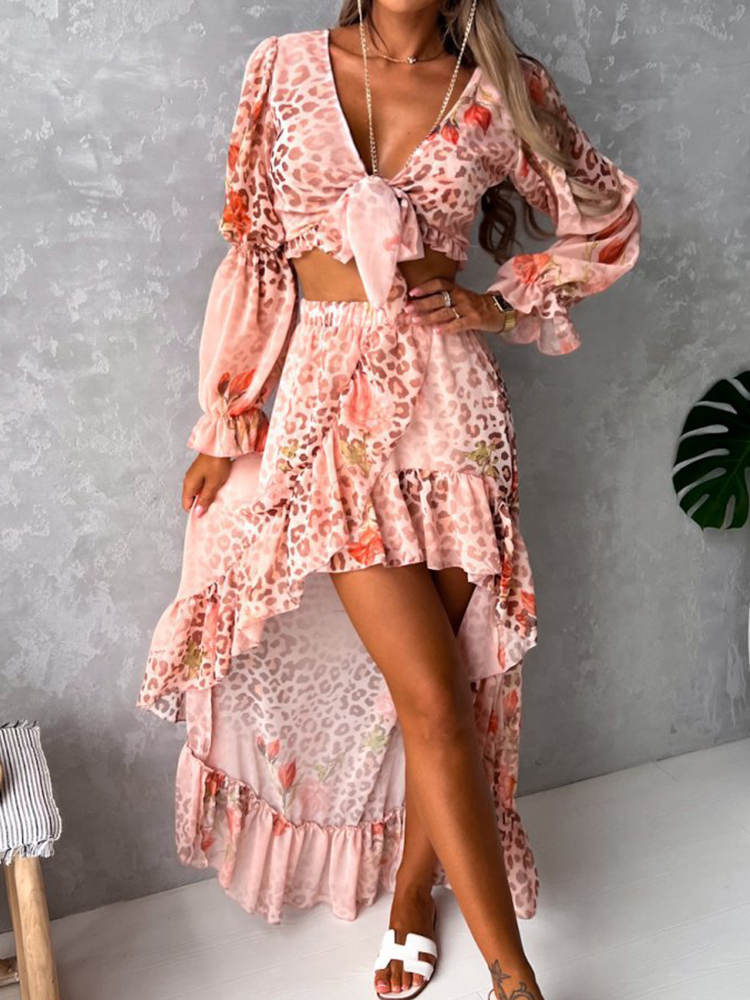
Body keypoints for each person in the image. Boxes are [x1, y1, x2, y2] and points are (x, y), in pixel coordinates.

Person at [137, 2, 641, 998]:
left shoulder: (502, 90)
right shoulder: (282, 69)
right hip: (328, 420)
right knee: (430, 694)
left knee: (449, 690)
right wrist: (227, 417)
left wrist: (496, 302)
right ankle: (515, 976)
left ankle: (416, 894)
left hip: (455, 418)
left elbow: (607, 217)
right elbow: (258, 256)